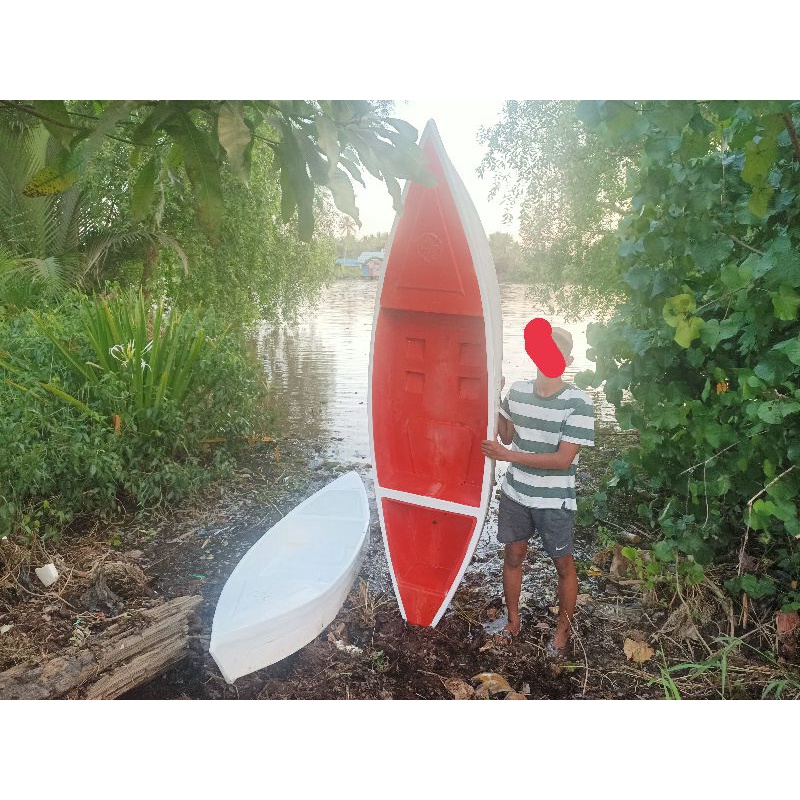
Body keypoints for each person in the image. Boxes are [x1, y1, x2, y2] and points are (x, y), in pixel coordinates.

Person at [481, 325, 594, 655]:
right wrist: (494, 396)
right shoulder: (517, 392)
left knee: (563, 565)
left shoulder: (579, 403)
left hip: (553, 500)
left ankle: (562, 631)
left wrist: (509, 457)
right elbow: (504, 435)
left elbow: (563, 460)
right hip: (516, 493)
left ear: (567, 359)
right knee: (513, 556)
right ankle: (513, 622)